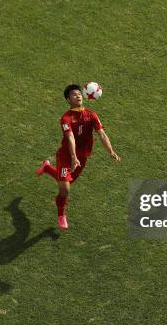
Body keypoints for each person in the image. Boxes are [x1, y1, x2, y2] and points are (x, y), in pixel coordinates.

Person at [37, 84, 120, 229]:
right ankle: (61, 214)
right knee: (65, 189)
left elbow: (102, 134)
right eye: (74, 95)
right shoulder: (66, 118)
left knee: (66, 183)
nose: (79, 96)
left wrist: (111, 151)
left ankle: (47, 167)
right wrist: (73, 156)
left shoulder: (92, 115)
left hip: (82, 158)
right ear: (68, 100)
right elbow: (70, 137)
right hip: (66, 156)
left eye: (79, 94)